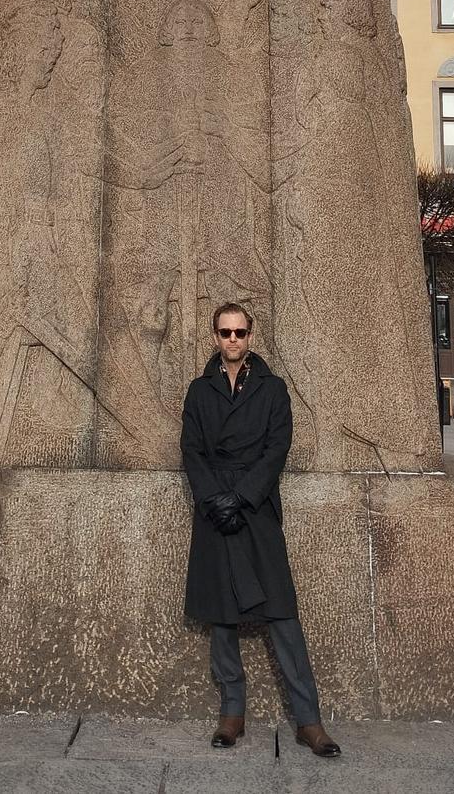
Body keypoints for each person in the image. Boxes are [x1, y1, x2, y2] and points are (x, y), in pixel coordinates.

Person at [180, 301, 342, 758]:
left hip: (255, 506)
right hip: (215, 508)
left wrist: (243, 496)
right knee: (223, 615)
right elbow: (191, 450)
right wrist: (215, 499)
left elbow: (277, 449)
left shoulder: (273, 390)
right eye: (225, 332)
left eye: (239, 332)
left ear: (251, 336)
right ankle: (231, 713)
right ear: (214, 336)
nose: (232, 340)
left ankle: (309, 720)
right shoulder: (198, 391)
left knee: (282, 613)